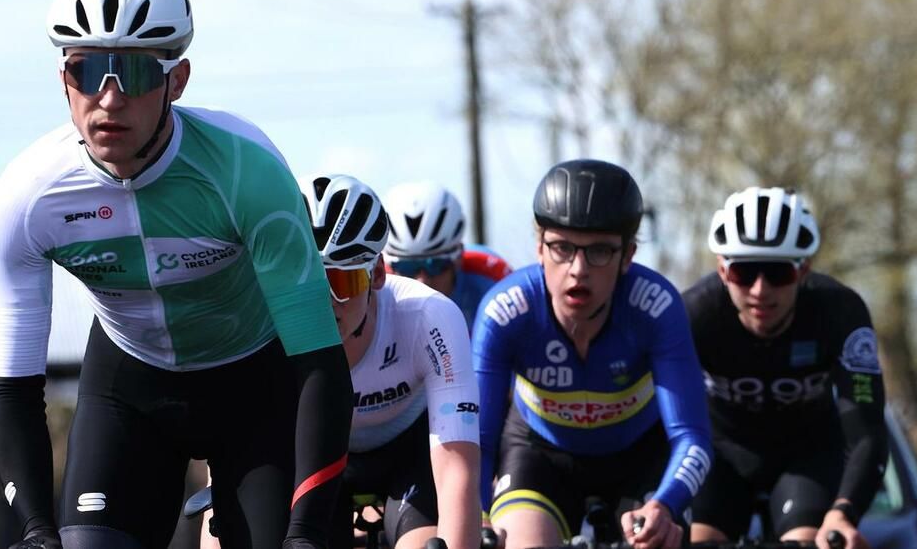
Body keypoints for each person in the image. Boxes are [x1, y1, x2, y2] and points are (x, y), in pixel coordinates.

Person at [0, 0, 352, 548]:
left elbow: (320, 366)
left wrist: (305, 533)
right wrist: (36, 529)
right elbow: (14, 389)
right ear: (63, 80)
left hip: (255, 385)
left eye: (133, 71)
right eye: (86, 70)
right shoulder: (28, 197)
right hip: (129, 390)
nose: (109, 98)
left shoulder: (246, 172)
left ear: (176, 79)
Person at [473, 160, 713, 549]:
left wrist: (665, 507)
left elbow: (693, 438)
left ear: (627, 256)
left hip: (639, 459)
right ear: (539, 248)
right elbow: (477, 439)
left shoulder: (656, 307)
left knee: (659, 540)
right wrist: (479, 514)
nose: (578, 269)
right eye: (562, 248)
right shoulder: (506, 311)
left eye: (600, 251)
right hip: (540, 454)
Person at [684, 187, 888, 549]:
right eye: (744, 273)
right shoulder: (694, 315)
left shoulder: (841, 312)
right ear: (722, 270)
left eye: (778, 273)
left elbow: (868, 430)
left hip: (806, 456)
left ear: (803, 270)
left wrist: (844, 512)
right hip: (721, 455)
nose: (761, 290)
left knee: (810, 541)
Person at [296, 174, 482, 549]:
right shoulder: (264, 323)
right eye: (310, 284)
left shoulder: (429, 316)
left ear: (378, 273)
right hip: (317, 460)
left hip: (408, 459)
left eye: (343, 283)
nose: (326, 302)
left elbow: (457, 474)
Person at [383, 182, 511, 329]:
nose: (422, 281)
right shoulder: (375, 286)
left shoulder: (492, 277)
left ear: (458, 258)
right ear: (388, 266)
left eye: (435, 265)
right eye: (407, 268)